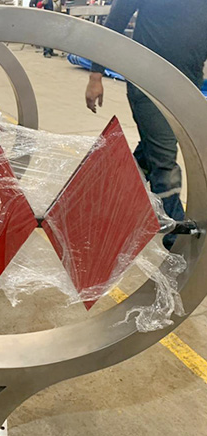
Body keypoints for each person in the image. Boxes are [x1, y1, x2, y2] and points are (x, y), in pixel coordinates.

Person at [85, 0, 207, 250]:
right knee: (164, 160)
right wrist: (96, 75)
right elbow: (114, 23)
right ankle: (178, 242)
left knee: (152, 150)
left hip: (188, 85)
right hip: (148, 84)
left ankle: (105, 194)